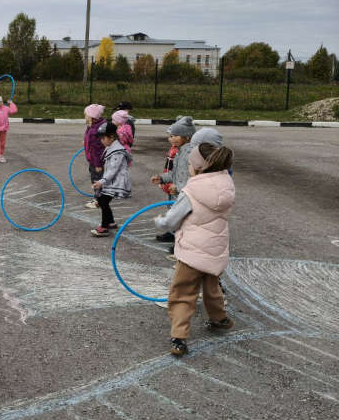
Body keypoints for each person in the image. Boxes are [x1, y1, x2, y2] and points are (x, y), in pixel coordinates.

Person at [153, 143, 236, 355]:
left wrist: (159, 221)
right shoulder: (226, 185)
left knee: (183, 292)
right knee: (212, 287)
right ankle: (220, 319)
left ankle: (179, 338)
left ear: (198, 167)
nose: (188, 167)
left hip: (193, 251)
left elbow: (171, 221)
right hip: (215, 249)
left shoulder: (191, 191)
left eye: (189, 164)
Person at [151, 116, 196, 255]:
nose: (171, 138)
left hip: (186, 195)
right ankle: (177, 242)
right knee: (178, 219)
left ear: (187, 137)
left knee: (185, 222)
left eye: (175, 135)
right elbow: (174, 173)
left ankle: (182, 248)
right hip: (178, 193)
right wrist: (162, 178)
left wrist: (178, 187)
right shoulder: (179, 151)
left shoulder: (191, 154)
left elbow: (192, 179)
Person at [90, 122, 133, 237]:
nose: (101, 141)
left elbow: (113, 169)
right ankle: (111, 223)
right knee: (102, 200)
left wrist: (102, 181)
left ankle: (104, 227)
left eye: (103, 138)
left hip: (117, 181)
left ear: (111, 137)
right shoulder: (111, 148)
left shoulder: (117, 152)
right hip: (112, 180)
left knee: (103, 200)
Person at [83, 104, 106, 209]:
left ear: (91, 117)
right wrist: (86, 142)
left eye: (86, 115)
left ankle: (98, 201)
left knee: (97, 180)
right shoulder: (95, 126)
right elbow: (91, 140)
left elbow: (98, 149)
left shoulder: (94, 131)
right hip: (95, 160)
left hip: (96, 161)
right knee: (99, 178)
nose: (85, 117)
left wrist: (98, 165)